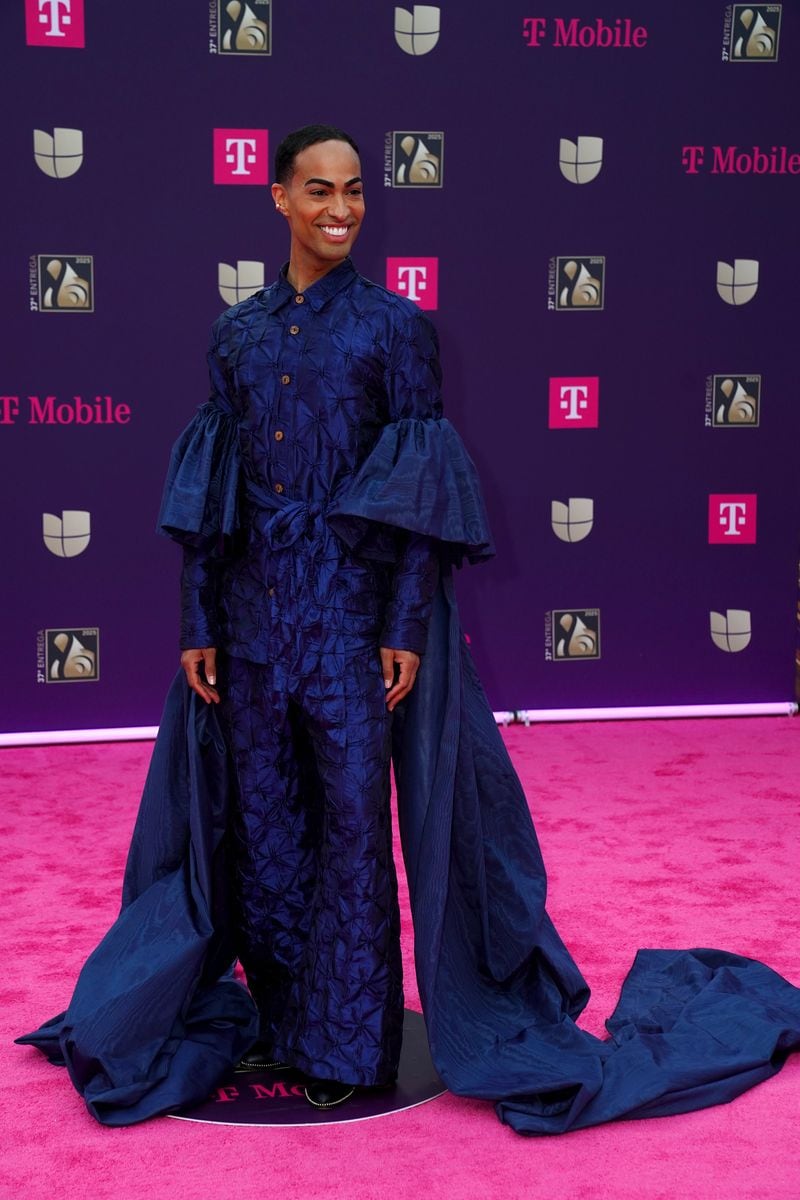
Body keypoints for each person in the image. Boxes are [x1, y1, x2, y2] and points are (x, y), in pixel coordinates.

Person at [162, 124, 465, 1108]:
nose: (340, 208)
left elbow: (420, 492)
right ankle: (284, 1029)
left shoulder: (393, 329)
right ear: (279, 200)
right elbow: (214, 492)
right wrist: (197, 615)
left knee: (349, 832)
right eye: (319, 190)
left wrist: (403, 624)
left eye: (354, 192)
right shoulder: (235, 333)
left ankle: (347, 1048)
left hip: (346, 622)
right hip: (250, 624)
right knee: (267, 832)